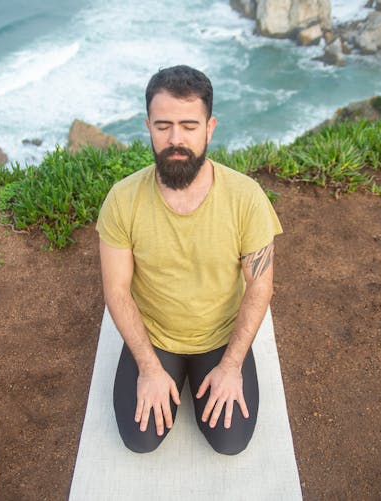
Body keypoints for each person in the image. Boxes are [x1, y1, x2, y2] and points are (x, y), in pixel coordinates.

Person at [96, 65, 282, 455]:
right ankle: (160, 371)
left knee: (230, 442)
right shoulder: (122, 198)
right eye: (163, 125)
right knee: (139, 439)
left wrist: (231, 367)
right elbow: (115, 289)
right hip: (156, 335)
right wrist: (148, 368)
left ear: (210, 127)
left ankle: (209, 372)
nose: (175, 138)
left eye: (189, 125)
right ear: (148, 125)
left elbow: (260, 285)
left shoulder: (246, 197)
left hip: (219, 336)